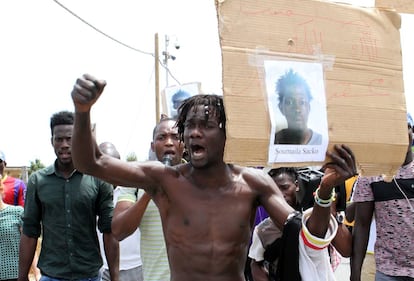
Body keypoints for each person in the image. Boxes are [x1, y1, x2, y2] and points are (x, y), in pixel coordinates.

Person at [70, 73, 357, 281]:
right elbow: (90, 161)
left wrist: (324, 192)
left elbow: (310, 238)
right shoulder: (164, 180)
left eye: (206, 125)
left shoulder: (253, 184)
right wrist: (82, 112)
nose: (194, 132)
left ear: (226, 135)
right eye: (190, 126)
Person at [18, 111, 119, 281]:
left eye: (70, 139)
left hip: (89, 275)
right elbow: (29, 232)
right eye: (59, 139)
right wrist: (22, 278)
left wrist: (115, 278)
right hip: (51, 275)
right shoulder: (38, 181)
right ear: (52, 142)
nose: (64, 144)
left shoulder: (98, 179)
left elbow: (109, 231)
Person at [112, 117, 185, 281]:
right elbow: (118, 231)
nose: (168, 142)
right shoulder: (135, 181)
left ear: (184, 143)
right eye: (161, 137)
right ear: (153, 146)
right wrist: (150, 189)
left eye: (175, 136)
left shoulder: (197, 179)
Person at [249, 167, 352, 281]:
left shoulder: (313, 219)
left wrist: (331, 211)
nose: (281, 195)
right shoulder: (263, 230)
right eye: (275, 191)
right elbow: (256, 262)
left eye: (285, 187)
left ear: (297, 185)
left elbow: (346, 250)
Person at [350, 116, 414, 281]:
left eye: (403, 127)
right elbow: (362, 224)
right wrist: (355, 272)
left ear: (412, 132)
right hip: (388, 271)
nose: (399, 134)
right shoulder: (370, 174)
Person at [97, 142, 143, 281]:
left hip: (136, 267)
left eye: (112, 164)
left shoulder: (131, 190)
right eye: (102, 165)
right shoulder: (92, 193)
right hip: (104, 269)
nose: (107, 170)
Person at [273, 69, 322, 145]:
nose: (297, 109)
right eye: (289, 102)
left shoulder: (321, 142)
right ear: (281, 108)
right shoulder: (274, 141)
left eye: (302, 102)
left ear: (309, 107)